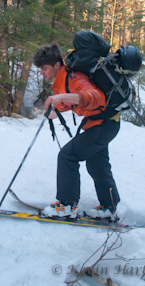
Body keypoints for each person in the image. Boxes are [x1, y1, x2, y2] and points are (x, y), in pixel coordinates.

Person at [34, 41, 121, 220]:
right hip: (103, 124)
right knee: (97, 165)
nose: (42, 73)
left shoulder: (74, 78)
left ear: (57, 65)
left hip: (104, 125)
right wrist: (56, 110)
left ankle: (67, 205)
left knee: (67, 156)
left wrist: (62, 97)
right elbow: (72, 101)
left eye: (45, 69)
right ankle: (110, 207)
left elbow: (96, 98)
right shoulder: (62, 80)